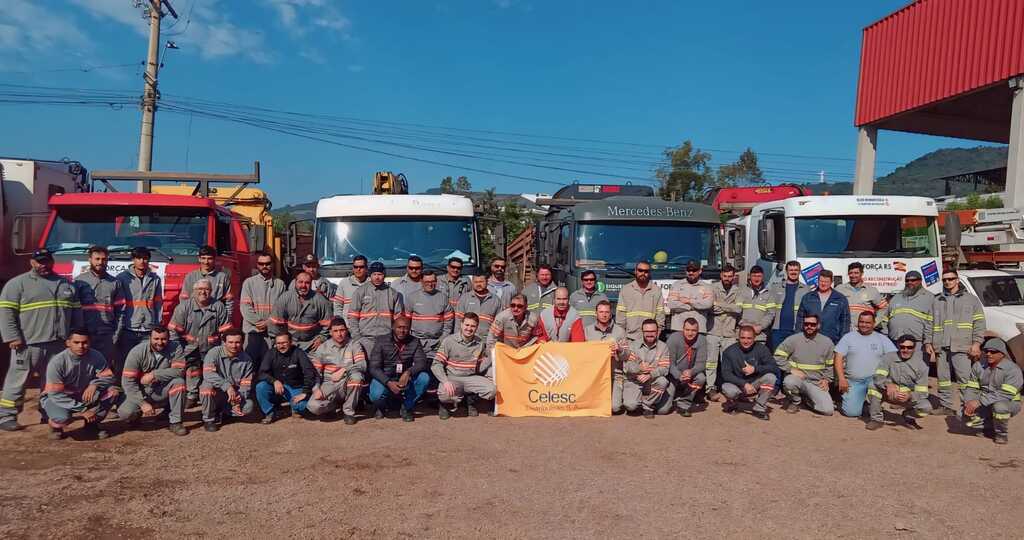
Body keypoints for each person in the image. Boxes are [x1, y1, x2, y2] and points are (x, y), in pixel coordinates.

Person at [0, 249, 82, 432]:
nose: (43, 265)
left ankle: (49, 413)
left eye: (46, 261)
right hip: (28, 343)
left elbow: (76, 313)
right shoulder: (17, 284)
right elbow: (6, 313)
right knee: (17, 379)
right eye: (39, 262)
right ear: (32, 263)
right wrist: (12, 336)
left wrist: (75, 336)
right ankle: (7, 415)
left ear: (52, 262)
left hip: (58, 344)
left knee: (52, 382)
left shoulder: (65, 284)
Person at [40, 329, 118, 440]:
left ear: (89, 343)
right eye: (76, 342)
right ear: (68, 343)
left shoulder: (97, 356)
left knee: (113, 392)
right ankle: (55, 427)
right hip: (59, 397)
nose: (81, 346)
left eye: (85, 342)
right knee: (62, 417)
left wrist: (94, 384)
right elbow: (55, 394)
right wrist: (83, 410)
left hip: (83, 394)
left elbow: (109, 377)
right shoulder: (57, 362)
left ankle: (91, 425)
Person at [168, 279, 231, 405]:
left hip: (212, 347)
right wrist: (178, 352)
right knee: (192, 370)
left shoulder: (218, 306)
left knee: (211, 371)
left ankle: (210, 395)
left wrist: (224, 350)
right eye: (199, 289)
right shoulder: (183, 307)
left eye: (207, 289)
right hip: (189, 348)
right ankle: (192, 395)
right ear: (194, 291)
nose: (203, 292)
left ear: (211, 291)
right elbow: (173, 332)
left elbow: (225, 331)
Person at [933, 269, 987, 416]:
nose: (947, 282)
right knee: (943, 378)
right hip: (941, 345)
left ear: (957, 280)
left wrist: (976, 343)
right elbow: (929, 323)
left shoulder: (971, 300)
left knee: (964, 379)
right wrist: (928, 342)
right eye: (944, 280)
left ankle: (968, 407)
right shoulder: (937, 300)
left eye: (950, 279)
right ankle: (945, 406)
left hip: (962, 346)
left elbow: (979, 323)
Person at [119, 326, 189, 436]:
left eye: (163, 339)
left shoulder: (176, 347)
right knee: (125, 413)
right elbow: (127, 382)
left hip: (161, 390)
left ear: (169, 338)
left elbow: (179, 371)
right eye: (156, 339)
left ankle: (175, 422)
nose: (160, 342)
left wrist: (154, 374)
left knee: (179, 382)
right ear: (149, 338)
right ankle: (136, 416)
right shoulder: (137, 352)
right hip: (142, 392)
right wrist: (142, 403)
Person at [570, 300, 630, 413]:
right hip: (594, 376)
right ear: (596, 313)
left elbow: (627, 355)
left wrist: (619, 349)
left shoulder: (620, 331)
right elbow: (582, 355)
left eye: (607, 312)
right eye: (601, 312)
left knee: (615, 408)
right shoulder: (587, 331)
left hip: (614, 375)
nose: (604, 315)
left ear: (611, 313)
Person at [833, 311, 897, 418]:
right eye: (861, 322)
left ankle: (874, 404)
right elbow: (838, 357)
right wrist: (841, 379)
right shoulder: (848, 337)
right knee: (851, 413)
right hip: (854, 381)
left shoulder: (882, 339)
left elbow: (894, 358)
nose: (864, 325)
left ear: (874, 323)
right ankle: (862, 402)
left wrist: (891, 381)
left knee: (895, 394)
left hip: (875, 381)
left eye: (867, 322)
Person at [73, 245, 126, 375]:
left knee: (105, 367)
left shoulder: (115, 282)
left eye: (104, 259)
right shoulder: (79, 281)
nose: (100, 262)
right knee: (84, 367)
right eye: (97, 259)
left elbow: (121, 311)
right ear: (90, 259)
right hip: (85, 333)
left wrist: (116, 334)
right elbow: (73, 309)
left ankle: (105, 393)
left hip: (107, 334)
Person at [433, 313, 495, 419]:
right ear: (461, 325)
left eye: (473, 326)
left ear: (477, 327)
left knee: (491, 390)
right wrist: (445, 381)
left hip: (471, 377)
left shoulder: (480, 343)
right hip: (453, 378)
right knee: (444, 394)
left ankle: (470, 401)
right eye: (467, 325)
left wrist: (492, 356)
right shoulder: (449, 341)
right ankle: (445, 405)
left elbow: (481, 366)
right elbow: (436, 364)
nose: (469, 329)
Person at [961, 338, 1023, 445]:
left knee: (999, 407)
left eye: (993, 352)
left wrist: (979, 402)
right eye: (986, 351)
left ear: (1002, 354)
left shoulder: (1013, 370)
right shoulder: (978, 366)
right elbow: (971, 387)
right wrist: (969, 402)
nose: (989, 354)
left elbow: (1005, 394)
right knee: (961, 414)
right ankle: (988, 427)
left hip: (1008, 402)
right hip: (986, 400)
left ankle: (1001, 434)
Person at [368, 316, 430, 422]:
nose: (402, 331)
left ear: (409, 328)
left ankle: (406, 407)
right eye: (399, 327)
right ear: (393, 327)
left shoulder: (414, 342)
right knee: (376, 395)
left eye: (405, 328)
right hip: (385, 378)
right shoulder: (381, 341)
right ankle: (381, 407)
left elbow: (422, 362)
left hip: (405, 379)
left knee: (424, 378)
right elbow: (374, 368)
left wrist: (408, 372)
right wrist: (388, 382)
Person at [865, 335, 931, 431]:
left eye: (909, 347)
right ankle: (876, 419)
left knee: (926, 408)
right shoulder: (888, 357)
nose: (905, 350)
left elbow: (923, 392)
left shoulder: (921, 365)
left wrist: (910, 396)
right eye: (902, 347)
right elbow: (878, 376)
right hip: (889, 392)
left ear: (914, 348)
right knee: (872, 386)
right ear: (898, 346)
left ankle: (908, 415)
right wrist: (887, 384)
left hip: (907, 398)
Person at [306, 318, 366, 424]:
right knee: (313, 406)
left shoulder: (354, 345)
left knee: (357, 378)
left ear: (346, 330)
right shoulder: (323, 348)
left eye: (342, 330)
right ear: (330, 332)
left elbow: (362, 364)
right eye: (335, 331)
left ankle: (348, 412)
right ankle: (332, 407)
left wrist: (344, 369)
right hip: (329, 384)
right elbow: (315, 372)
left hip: (346, 381)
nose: (339, 334)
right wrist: (316, 388)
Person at [775, 314, 836, 415]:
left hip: (816, 383)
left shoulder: (827, 342)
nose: (809, 326)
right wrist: (790, 369)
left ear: (818, 325)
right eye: (806, 324)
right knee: (789, 382)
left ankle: (807, 401)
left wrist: (827, 379)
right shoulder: (793, 339)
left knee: (828, 410)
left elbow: (831, 365)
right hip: (798, 380)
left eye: (812, 324)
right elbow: (778, 356)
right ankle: (795, 401)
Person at [199, 329, 255, 432]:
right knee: (206, 388)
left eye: (237, 342)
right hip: (216, 392)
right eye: (230, 342)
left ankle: (225, 413)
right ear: (224, 342)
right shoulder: (214, 352)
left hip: (233, 396)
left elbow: (245, 384)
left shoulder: (247, 360)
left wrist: (239, 399)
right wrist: (227, 386)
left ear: (242, 343)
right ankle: (209, 419)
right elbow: (208, 374)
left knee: (248, 406)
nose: (234, 346)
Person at [255, 332, 316, 424]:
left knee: (302, 406)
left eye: (284, 343)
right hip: (276, 387)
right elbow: (262, 373)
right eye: (278, 343)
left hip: (295, 387)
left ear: (291, 342)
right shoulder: (271, 353)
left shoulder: (299, 353)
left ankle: (295, 408)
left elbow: (309, 373)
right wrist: (274, 381)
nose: (281, 346)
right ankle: (270, 412)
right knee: (261, 387)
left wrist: (305, 392)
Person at [719, 326, 776, 420]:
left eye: (749, 338)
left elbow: (773, 367)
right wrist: (744, 383)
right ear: (738, 338)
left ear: (754, 338)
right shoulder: (729, 351)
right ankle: (733, 404)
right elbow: (726, 374)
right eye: (743, 338)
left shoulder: (762, 349)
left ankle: (759, 407)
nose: (746, 341)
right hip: (737, 384)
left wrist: (755, 369)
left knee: (771, 377)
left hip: (754, 384)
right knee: (728, 389)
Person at [347, 261, 403, 356]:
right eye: (374, 274)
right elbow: (353, 317)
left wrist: (395, 339)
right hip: (365, 339)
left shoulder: (393, 293)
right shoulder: (360, 291)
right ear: (370, 275)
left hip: (387, 339)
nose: (377, 277)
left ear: (384, 275)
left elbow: (398, 319)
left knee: (386, 367)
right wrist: (357, 337)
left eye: (380, 274)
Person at [239, 251, 286, 363]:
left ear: (273, 264)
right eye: (261, 263)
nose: (264, 266)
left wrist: (268, 323)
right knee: (249, 364)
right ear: (257, 265)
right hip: (252, 331)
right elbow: (245, 307)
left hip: (271, 333)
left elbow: (282, 309)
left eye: (268, 263)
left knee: (269, 365)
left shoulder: (280, 284)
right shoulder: (249, 283)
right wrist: (259, 323)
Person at [116, 247, 163, 356]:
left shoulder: (155, 279)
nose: (142, 261)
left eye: (145, 258)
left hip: (148, 329)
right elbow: (118, 305)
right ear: (133, 260)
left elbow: (158, 304)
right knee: (126, 361)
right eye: (138, 258)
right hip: (128, 328)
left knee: (147, 361)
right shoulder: (122, 278)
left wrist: (157, 325)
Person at [269, 272, 332, 353]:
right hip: (290, 343)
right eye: (300, 282)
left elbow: (328, 323)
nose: (303, 286)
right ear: (295, 282)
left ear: (311, 283)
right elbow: (275, 322)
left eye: (307, 283)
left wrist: (321, 338)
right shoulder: (285, 298)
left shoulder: (320, 300)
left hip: (312, 344)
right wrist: (279, 341)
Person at [706, 264, 742, 401]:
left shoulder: (738, 291)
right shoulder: (712, 288)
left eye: (730, 276)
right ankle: (710, 388)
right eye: (725, 276)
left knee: (729, 363)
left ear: (734, 277)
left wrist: (719, 304)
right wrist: (729, 307)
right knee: (711, 363)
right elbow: (710, 308)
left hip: (729, 332)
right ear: (721, 275)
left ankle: (730, 389)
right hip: (713, 331)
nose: (727, 278)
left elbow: (738, 309)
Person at [623, 319, 673, 418]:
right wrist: (639, 369)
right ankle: (637, 400)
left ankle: (647, 405)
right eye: (647, 331)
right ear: (642, 332)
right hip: (635, 380)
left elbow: (665, 368)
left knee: (663, 382)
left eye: (653, 331)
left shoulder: (663, 347)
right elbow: (627, 367)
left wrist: (650, 375)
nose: (650, 334)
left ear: (657, 331)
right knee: (630, 406)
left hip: (652, 380)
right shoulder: (633, 345)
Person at [877, 271, 935, 357]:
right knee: (896, 368)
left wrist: (928, 341)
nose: (909, 283)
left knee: (917, 369)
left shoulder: (929, 297)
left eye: (913, 280)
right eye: (907, 281)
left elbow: (931, 322)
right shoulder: (897, 297)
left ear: (920, 281)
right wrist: (885, 335)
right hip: (895, 342)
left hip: (918, 344)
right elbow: (886, 318)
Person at [404, 270, 453, 361]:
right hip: (416, 342)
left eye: (433, 281)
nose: (430, 284)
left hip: (436, 344)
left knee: (434, 370)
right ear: (421, 281)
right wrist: (410, 341)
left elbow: (448, 323)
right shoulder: (411, 297)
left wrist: (442, 340)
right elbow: (406, 322)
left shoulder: (443, 298)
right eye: (427, 282)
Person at [179, 245, 235, 318]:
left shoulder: (222, 277)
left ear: (215, 259)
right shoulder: (190, 276)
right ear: (199, 259)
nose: (206, 262)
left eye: (210, 259)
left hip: (216, 316)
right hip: (194, 316)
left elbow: (229, 300)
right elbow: (184, 299)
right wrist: (185, 316)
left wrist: (227, 318)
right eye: (203, 258)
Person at [615, 261, 665, 341]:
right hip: (630, 338)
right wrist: (623, 339)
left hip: (650, 339)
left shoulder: (656, 290)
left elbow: (660, 316)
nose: (643, 273)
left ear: (649, 273)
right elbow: (620, 317)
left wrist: (656, 336)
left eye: (646, 271)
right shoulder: (625, 290)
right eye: (640, 270)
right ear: (635, 271)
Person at [666, 318, 707, 417]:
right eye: (687, 330)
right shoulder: (673, 338)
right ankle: (673, 396)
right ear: (682, 329)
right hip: (673, 374)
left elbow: (701, 363)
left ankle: (684, 404)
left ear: (698, 331)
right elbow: (669, 363)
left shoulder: (702, 340)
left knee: (701, 378)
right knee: (664, 410)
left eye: (693, 330)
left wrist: (691, 372)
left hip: (690, 374)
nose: (690, 333)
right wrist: (679, 375)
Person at [796, 269, 849, 344]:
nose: (823, 284)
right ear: (817, 281)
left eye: (826, 281)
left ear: (831, 282)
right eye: (821, 281)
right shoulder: (808, 297)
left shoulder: (840, 299)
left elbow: (845, 322)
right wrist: (799, 337)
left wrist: (843, 341)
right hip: (810, 339)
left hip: (832, 340)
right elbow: (800, 319)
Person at [767, 260, 810, 348]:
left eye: (796, 270)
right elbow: (770, 309)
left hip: (797, 330)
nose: (793, 272)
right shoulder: (775, 288)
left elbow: (808, 311)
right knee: (778, 357)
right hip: (778, 330)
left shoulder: (806, 289)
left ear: (799, 271)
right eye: (791, 270)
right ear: (786, 271)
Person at [835, 262, 885, 332]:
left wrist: (875, 323)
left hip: (864, 331)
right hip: (844, 331)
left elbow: (884, 307)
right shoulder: (840, 289)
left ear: (862, 273)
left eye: (856, 273)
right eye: (851, 273)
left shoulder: (871, 290)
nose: (853, 275)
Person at [667, 260, 713, 336]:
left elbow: (708, 304)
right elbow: (671, 304)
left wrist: (688, 301)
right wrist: (692, 306)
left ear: (700, 271)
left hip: (699, 329)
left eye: (694, 270)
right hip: (678, 329)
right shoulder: (676, 285)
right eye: (688, 270)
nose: (691, 273)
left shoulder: (707, 287)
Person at [455, 274, 502, 340]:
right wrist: (457, 339)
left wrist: (493, 340)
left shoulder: (495, 300)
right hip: (467, 340)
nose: (478, 284)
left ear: (487, 282)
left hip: (487, 340)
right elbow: (458, 321)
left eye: (481, 282)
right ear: (472, 283)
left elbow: (499, 323)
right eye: (476, 282)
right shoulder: (465, 298)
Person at [737, 265, 773, 343]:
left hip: (759, 335)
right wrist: (744, 324)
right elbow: (736, 310)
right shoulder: (741, 291)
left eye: (759, 276)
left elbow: (770, 314)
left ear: (763, 277)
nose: (756, 279)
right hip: (743, 334)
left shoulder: (769, 294)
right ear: (750, 276)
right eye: (754, 276)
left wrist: (760, 326)